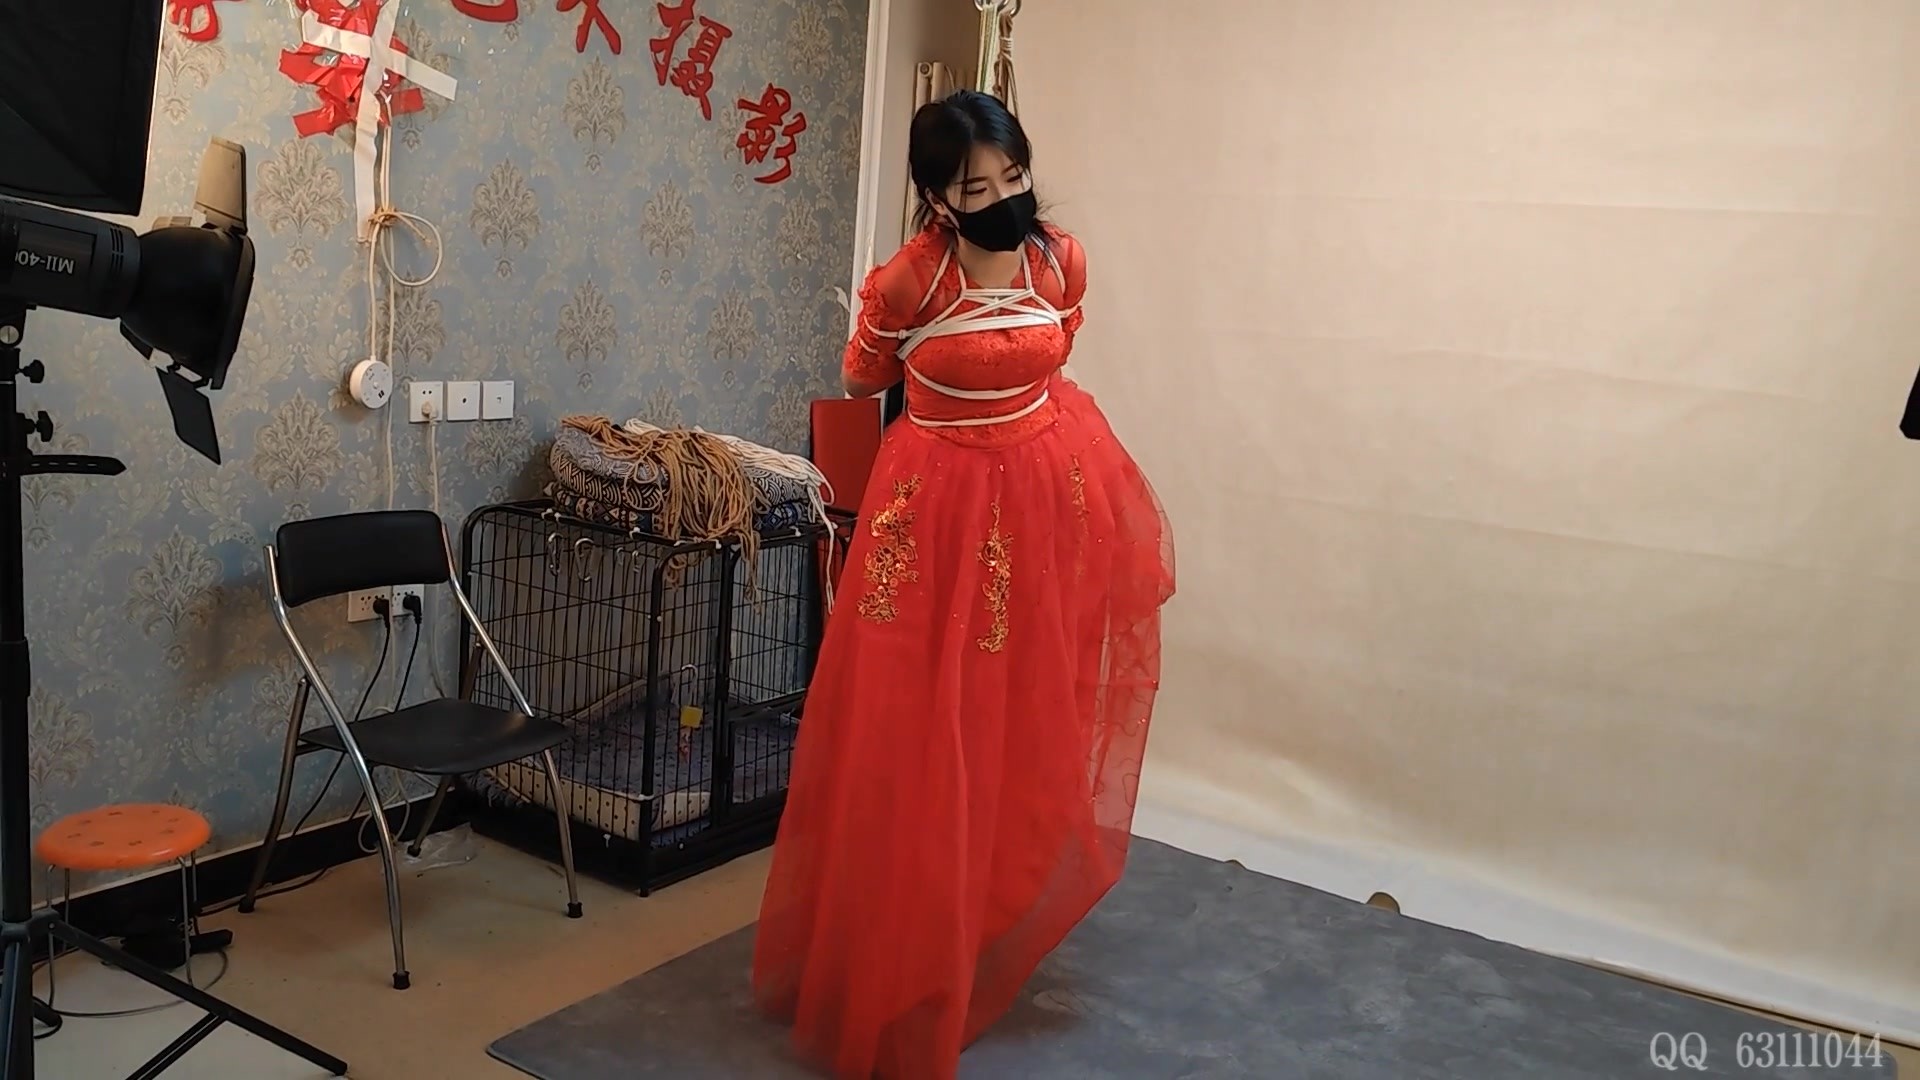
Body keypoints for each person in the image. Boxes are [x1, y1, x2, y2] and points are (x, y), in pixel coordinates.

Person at [751, 89, 1176, 1079]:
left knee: (1021, 703)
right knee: (916, 715)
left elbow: (1058, 347)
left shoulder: (1059, 260)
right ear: (938, 196)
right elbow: (862, 379)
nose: (1002, 199)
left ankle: (990, 902)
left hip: (1042, 499)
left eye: (1012, 177)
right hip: (936, 510)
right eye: (975, 188)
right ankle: (901, 930)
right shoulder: (910, 279)